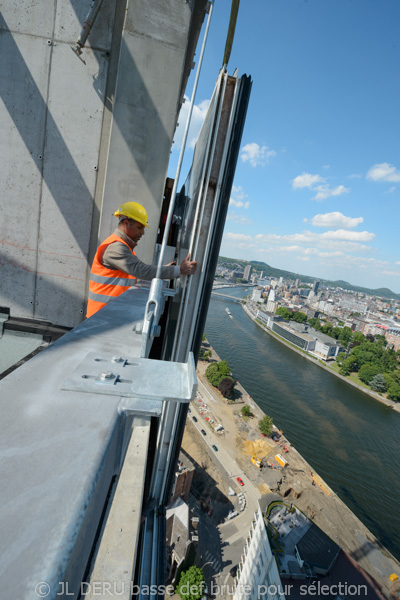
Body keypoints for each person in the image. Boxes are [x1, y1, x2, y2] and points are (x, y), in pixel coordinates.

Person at [86, 201, 197, 317]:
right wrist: (179, 270)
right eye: (139, 227)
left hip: (107, 314)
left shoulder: (124, 246)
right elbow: (141, 270)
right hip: (100, 316)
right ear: (126, 223)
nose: (143, 232)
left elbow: (136, 272)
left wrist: (164, 269)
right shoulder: (116, 247)